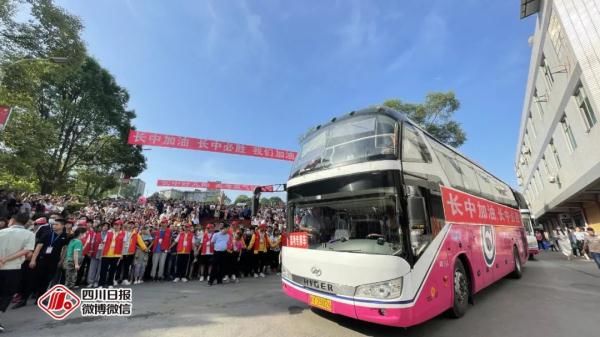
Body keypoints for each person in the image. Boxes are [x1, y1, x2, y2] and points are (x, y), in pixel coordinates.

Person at [13, 217, 68, 309]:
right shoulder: (47, 234)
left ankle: (40, 299)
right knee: (32, 280)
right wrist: (33, 260)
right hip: (41, 260)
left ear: (62, 226)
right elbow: (38, 247)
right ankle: (23, 299)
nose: (54, 226)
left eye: (56, 224)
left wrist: (61, 260)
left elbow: (64, 248)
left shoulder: (64, 236)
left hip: (53, 262)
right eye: (54, 224)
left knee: (46, 280)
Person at [0, 213, 35, 333]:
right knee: (6, 294)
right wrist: (7, 259)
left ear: (13, 220)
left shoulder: (2, 232)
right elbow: (27, 251)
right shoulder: (30, 234)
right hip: (13, 268)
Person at [116, 221, 147, 285]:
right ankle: (116, 279)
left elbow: (140, 242)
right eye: (129, 224)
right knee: (119, 266)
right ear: (127, 225)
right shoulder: (122, 232)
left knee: (127, 266)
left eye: (132, 224)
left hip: (130, 253)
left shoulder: (135, 234)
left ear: (133, 226)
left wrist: (145, 248)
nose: (130, 226)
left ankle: (125, 279)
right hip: (121, 252)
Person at [98, 220, 125, 288]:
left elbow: (124, 245)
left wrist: (122, 254)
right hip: (106, 254)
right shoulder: (109, 232)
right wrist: (101, 253)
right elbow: (104, 242)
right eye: (115, 225)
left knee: (112, 270)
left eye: (118, 225)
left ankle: (110, 283)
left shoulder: (123, 234)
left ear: (120, 226)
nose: (116, 226)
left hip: (116, 254)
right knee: (103, 270)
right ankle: (101, 284)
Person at [87, 223, 107, 287]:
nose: (105, 227)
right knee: (92, 267)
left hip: (103, 253)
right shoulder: (96, 234)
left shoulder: (109, 235)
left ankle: (96, 281)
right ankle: (90, 281)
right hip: (95, 252)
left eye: (107, 226)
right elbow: (92, 243)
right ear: (101, 227)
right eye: (104, 226)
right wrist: (90, 251)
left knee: (99, 268)